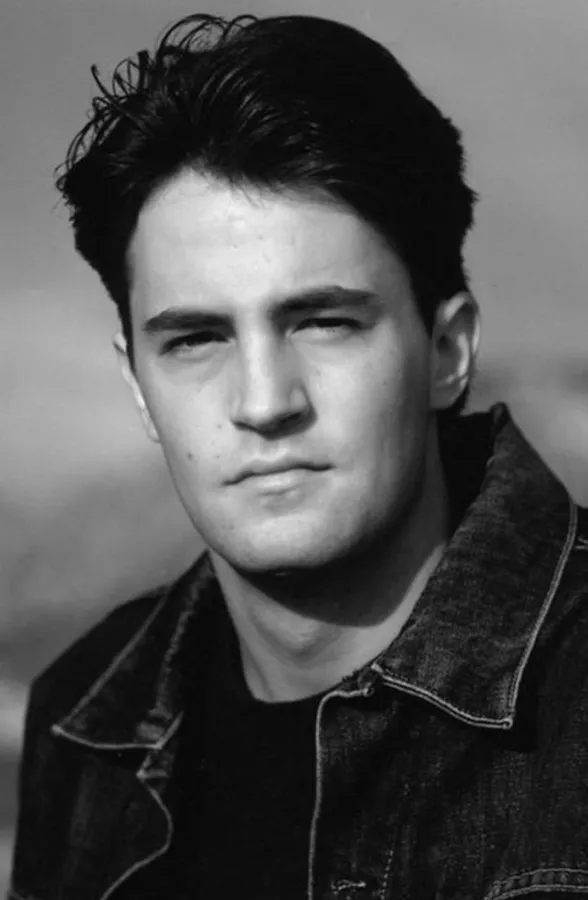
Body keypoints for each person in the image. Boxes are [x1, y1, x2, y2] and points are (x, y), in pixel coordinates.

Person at [9, 12, 588, 900]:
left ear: (447, 351)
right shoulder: (84, 719)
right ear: (138, 384)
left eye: (323, 322)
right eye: (196, 339)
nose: (265, 402)